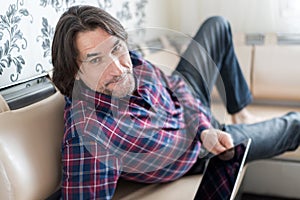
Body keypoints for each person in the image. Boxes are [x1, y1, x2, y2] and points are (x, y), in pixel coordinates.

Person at [51, 5, 300, 200]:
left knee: (218, 25)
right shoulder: (91, 133)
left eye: (117, 49)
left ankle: (241, 112)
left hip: (196, 121)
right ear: (75, 72)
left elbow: (176, 85)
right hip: (199, 152)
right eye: (96, 61)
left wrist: (204, 128)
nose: (117, 68)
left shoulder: (131, 63)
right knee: (295, 126)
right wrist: (204, 138)